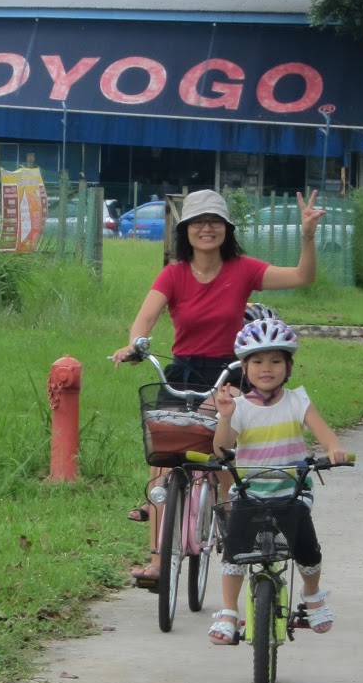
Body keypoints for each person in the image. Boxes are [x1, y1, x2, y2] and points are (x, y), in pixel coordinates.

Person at [112, 188, 326, 585]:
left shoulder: (243, 269)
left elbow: (302, 276)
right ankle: (159, 559)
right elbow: (145, 319)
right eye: (198, 222)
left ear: (226, 230)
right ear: (186, 230)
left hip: (229, 373)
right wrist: (135, 344)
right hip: (182, 372)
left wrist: (308, 235)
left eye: (215, 222)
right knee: (163, 464)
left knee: (224, 459)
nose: (206, 229)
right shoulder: (173, 274)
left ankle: (233, 536)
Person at [207, 316, 350, 646]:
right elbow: (222, 448)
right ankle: (229, 611)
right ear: (245, 368)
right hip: (248, 490)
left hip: (292, 490)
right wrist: (225, 416)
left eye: (275, 361)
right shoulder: (238, 406)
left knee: (305, 547)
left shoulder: (298, 400)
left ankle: (312, 596)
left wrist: (335, 449)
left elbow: (325, 434)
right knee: (235, 549)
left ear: (289, 366)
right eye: (257, 361)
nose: (266, 368)